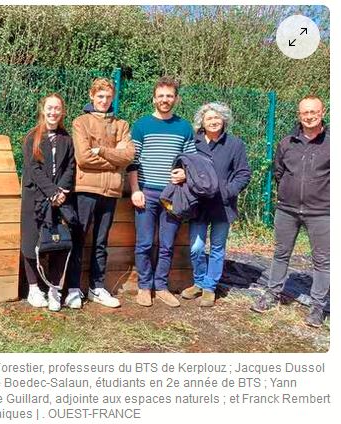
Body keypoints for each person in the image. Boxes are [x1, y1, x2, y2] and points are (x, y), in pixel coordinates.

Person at [251, 95, 329, 328]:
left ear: (322, 112)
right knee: (281, 254)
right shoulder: (287, 143)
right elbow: (278, 172)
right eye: (304, 112)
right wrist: (288, 191)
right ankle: (272, 294)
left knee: (323, 261)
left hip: (322, 212)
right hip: (287, 210)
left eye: (313, 111)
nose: (309, 116)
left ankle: (317, 307)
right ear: (299, 115)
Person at [66, 78, 135, 308]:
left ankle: (97, 288)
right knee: (79, 237)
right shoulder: (81, 122)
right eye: (100, 96)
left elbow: (129, 156)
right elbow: (83, 158)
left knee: (101, 242)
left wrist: (103, 151)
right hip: (86, 189)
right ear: (91, 96)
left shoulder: (122, 124)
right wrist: (115, 162)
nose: (104, 101)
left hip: (111, 191)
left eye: (108, 96)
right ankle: (73, 288)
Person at [128, 76, 195, 308]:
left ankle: (162, 286)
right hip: (146, 193)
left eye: (169, 96)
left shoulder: (184, 127)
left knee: (167, 244)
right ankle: (145, 287)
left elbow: (190, 160)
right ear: (154, 98)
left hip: (173, 195)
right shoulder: (141, 125)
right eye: (161, 96)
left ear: (176, 99)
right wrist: (135, 189)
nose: (165, 100)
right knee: (144, 243)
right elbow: (132, 161)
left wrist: (185, 174)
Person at [181, 102, 250, 307]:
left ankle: (210, 287)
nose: (213, 121)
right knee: (196, 247)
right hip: (198, 204)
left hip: (223, 206)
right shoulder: (193, 143)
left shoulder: (235, 144)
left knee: (218, 247)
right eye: (209, 118)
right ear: (202, 121)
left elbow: (243, 173)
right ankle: (199, 282)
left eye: (217, 117)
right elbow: (183, 165)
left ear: (224, 120)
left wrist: (229, 191)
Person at [21, 94, 76, 312]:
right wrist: (52, 192)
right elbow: (33, 170)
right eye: (50, 108)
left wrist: (61, 191)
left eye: (57, 109)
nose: (53, 112)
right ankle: (34, 289)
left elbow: (71, 166)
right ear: (43, 110)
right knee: (31, 244)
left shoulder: (66, 138)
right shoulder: (31, 137)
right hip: (35, 198)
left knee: (57, 244)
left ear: (62, 112)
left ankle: (54, 289)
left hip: (59, 200)